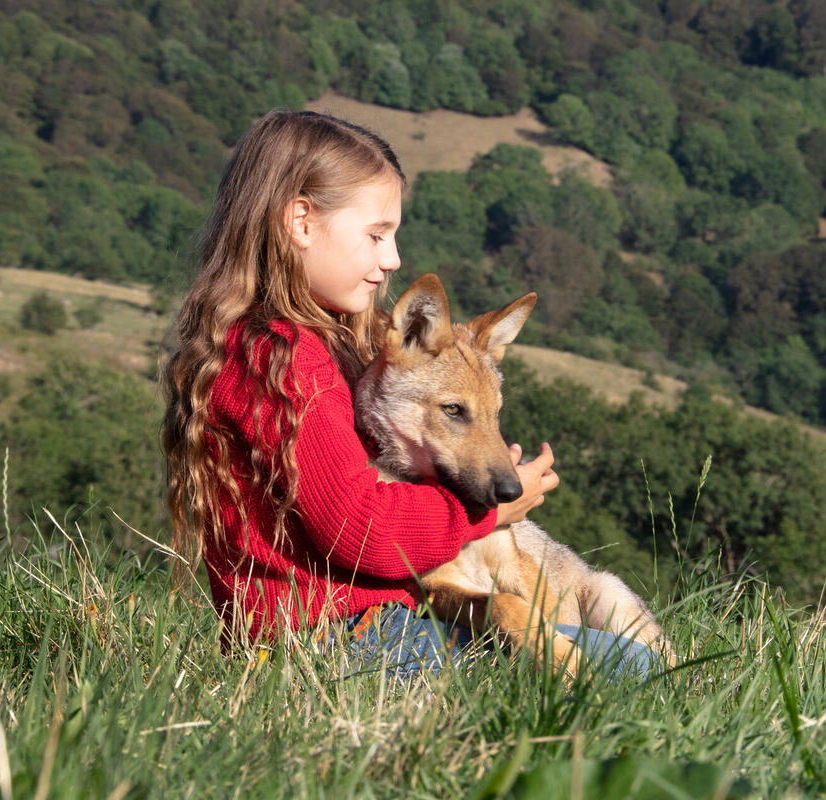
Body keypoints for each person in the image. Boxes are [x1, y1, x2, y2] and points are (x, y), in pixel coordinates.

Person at [160, 108, 657, 678]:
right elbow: (356, 529)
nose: (392, 259)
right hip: (338, 642)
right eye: (376, 235)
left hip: (355, 630)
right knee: (634, 668)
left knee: (610, 657)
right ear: (300, 220)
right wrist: (482, 512)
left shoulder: (309, 345)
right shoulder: (279, 357)